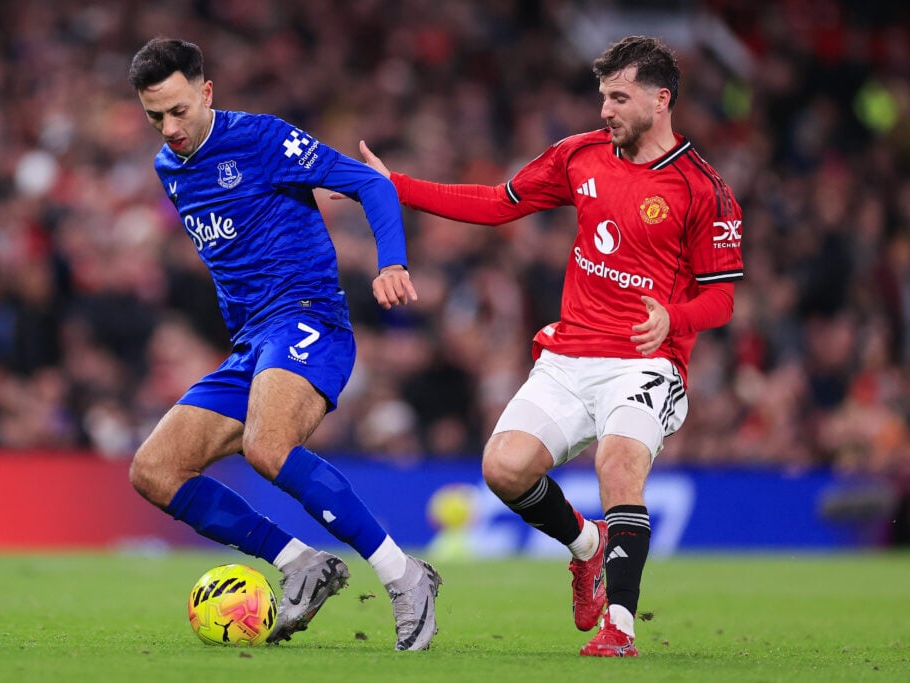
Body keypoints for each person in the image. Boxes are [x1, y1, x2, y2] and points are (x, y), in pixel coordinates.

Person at [349, 35, 743, 656]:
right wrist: (396, 186)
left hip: (645, 363)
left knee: (617, 466)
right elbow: (497, 205)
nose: (606, 110)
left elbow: (722, 297)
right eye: (602, 97)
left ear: (661, 100)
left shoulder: (702, 188)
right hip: (568, 357)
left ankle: (620, 627)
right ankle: (586, 549)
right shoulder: (579, 155)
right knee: (502, 468)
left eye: (620, 97)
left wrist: (675, 317)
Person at [126, 37, 441, 651]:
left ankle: (406, 578)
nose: (169, 129)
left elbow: (370, 186)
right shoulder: (171, 172)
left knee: (267, 445)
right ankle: (300, 563)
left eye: (178, 111)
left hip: (308, 318)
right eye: (154, 117)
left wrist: (391, 263)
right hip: (251, 344)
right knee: (154, 470)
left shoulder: (264, 139)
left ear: (206, 92)